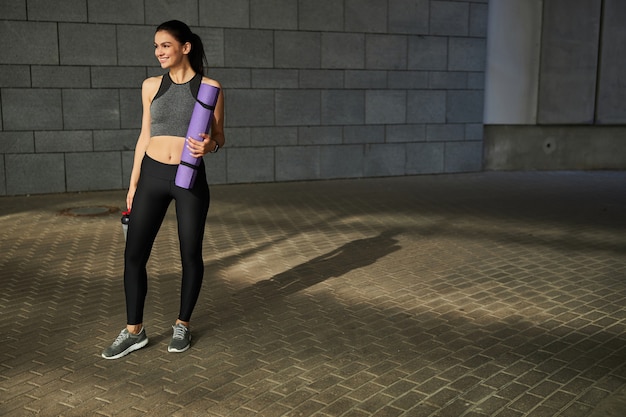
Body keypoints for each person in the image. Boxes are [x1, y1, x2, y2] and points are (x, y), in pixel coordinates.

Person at [102, 20, 225, 359]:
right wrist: (133, 183)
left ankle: (182, 324)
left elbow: (220, 137)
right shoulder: (150, 85)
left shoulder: (210, 88)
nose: (158, 52)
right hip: (153, 176)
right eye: (156, 46)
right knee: (134, 255)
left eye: (165, 45)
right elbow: (145, 135)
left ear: (185, 47)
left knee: (190, 255)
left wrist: (210, 146)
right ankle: (134, 331)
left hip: (189, 179)